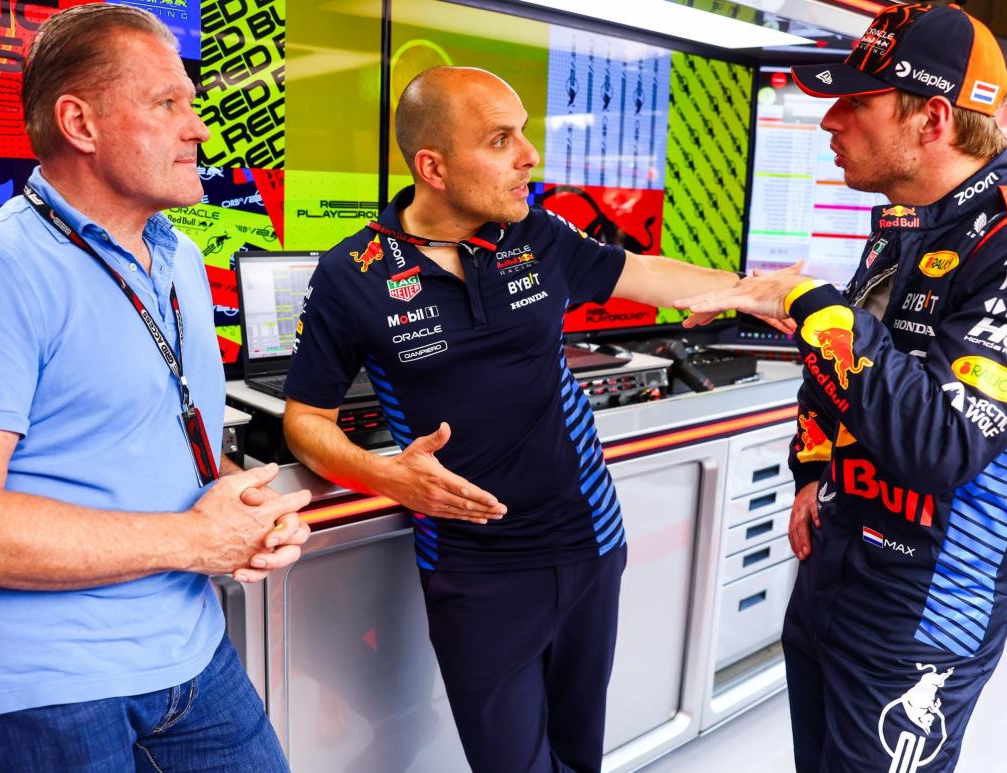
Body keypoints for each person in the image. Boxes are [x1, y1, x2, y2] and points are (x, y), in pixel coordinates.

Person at [676, 4, 1007, 771]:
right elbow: (842, 373)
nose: (830, 122)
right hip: (835, 574)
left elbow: (942, 443)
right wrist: (812, 469)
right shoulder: (905, 224)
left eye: (856, 103)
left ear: (933, 118)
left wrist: (810, 302)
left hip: (926, 610)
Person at [280, 66, 751, 773]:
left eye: (523, 133)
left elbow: (646, 273)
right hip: (476, 573)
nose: (529, 155)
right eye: (502, 139)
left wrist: (766, 292)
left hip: (591, 542)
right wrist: (385, 476)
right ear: (432, 166)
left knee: (578, 755)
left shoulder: (535, 234)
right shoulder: (355, 272)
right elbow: (304, 420)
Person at [0, 5, 310, 771]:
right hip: (45, 691)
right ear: (79, 123)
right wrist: (197, 539)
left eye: (193, 103)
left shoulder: (177, 256)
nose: (200, 131)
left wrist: (240, 509)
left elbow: (146, 439)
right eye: (167, 104)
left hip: (190, 653)